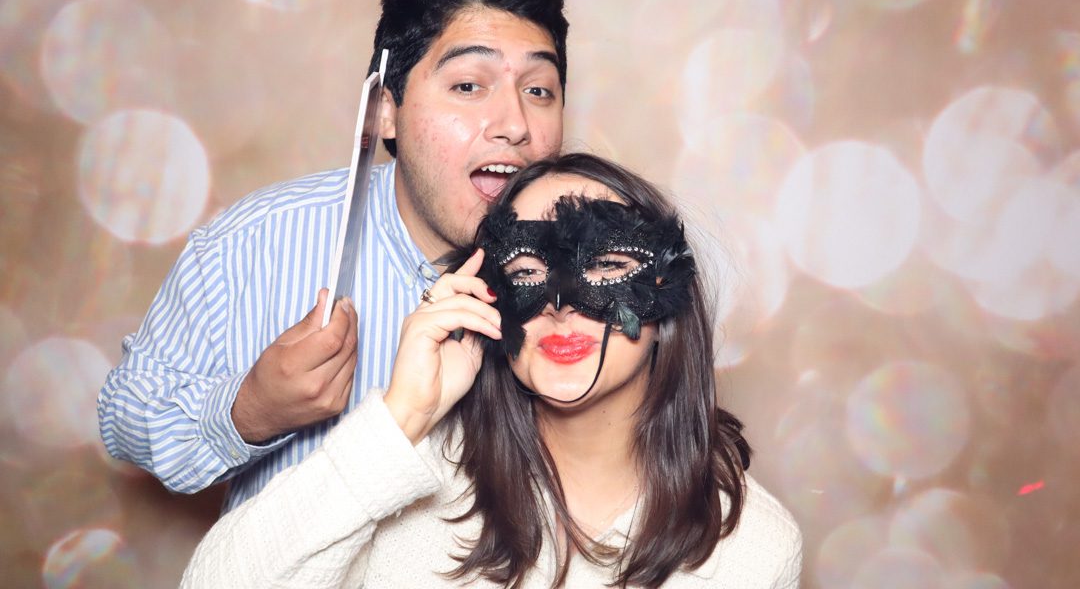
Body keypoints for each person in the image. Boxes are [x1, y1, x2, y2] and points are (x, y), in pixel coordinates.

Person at [179, 153, 803, 588]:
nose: (560, 306)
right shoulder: (410, 475)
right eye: (527, 272)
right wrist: (401, 418)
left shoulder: (754, 546)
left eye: (605, 265)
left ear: (668, 290)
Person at [97, 0, 570, 512]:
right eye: (469, 85)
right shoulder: (255, 243)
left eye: (539, 90)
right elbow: (125, 416)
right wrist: (250, 411)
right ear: (386, 111)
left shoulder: (603, 269)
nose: (515, 124)